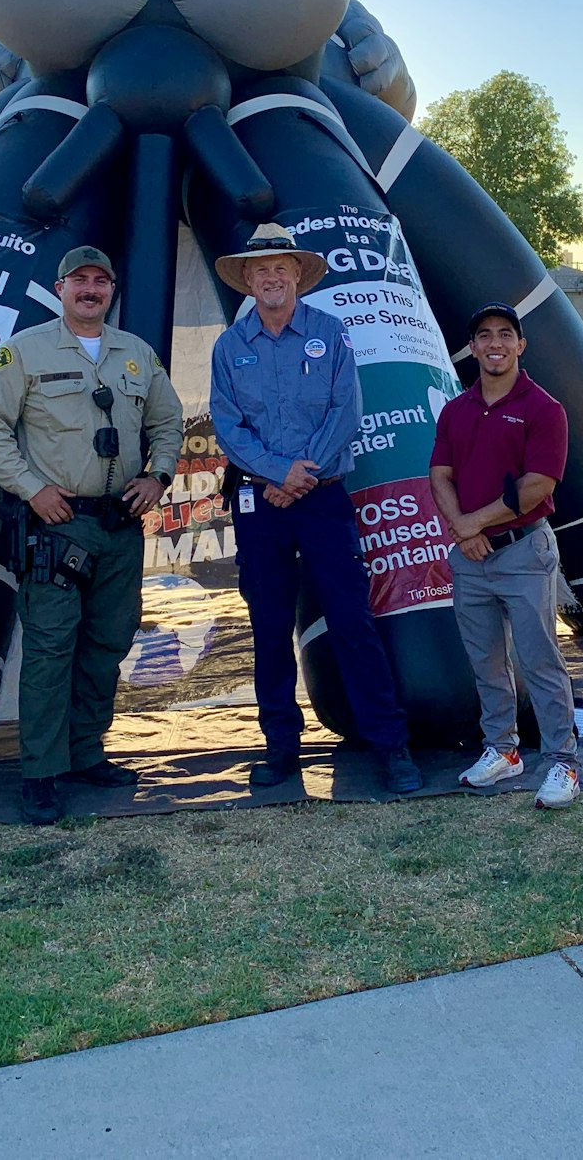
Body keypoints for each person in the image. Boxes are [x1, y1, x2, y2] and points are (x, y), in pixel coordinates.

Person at [208, 222, 422, 794]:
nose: (272, 276)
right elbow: (228, 425)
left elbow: (345, 411)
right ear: (247, 280)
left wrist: (301, 474)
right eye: (261, 269)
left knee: (353, 621)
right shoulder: (230, 348)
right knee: (269, 627)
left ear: (298, 274)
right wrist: (279, 473)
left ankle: (389, 746)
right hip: (261, 502)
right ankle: (281, 750)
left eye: (282, 266)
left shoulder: (331, 332)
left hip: (322, 498)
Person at [0, 245, 181, 824]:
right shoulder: (25, 351)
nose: (90, 289)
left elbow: (167, 422)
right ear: (60, 289)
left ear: (111, 290)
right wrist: (31, 488)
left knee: (107, 645)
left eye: (100, 280)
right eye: (79, 280)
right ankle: (41, 772)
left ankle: (87, 752)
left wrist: (158, 476)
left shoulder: (136, 354)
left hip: (119, 527)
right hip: (57, 528)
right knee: (49, 649)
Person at [428, 302, 579, 809]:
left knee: (539, 659)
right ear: (472, 347)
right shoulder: (456, 409)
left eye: (505, 335)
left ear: (520, 345)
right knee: (486, 661)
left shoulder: (543, 408)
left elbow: (537, 486)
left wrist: (474, 523)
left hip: (522, 552)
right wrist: (462, 529)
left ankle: (562, 760)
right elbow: (440, 475)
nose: (495, 344)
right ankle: (503, 750)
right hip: (470, 556)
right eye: (485, 336)